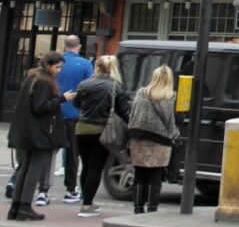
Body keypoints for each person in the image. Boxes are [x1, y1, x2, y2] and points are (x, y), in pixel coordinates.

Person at [7, 52, 75, 221]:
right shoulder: (44, 82)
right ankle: (24, 207)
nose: (59, 71)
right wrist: (62, 99)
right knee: (34, 169)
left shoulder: (32, 78)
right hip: (38, 133)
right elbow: (40, 107)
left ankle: (16, 207)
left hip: (26, 131)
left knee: (25, 167)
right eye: (57, 67)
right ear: (49, 65)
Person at [73, 55, 132, 217]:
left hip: (82, 129)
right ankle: (87, 205)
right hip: (103, 131)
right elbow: (124, 111)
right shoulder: (115, 87)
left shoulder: (84, 84)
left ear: (97, 66)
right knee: (95, 167)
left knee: (85, 166)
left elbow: (76, 103)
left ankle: (86, 200)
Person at [127, 65, 180, 214]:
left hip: (139, 138)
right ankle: (152, 208)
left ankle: (138, 207)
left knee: (140, 173)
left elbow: (133, 114)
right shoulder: (170, 97)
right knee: (156, 175)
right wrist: (175, 135)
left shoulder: (141, 93)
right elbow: (170, 121)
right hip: (161, 140)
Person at [55, 35, 92, 205]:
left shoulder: (55, 63)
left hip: (52, 112)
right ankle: (71, 189)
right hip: (74, 114)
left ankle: (40, 189)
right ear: (79, 46)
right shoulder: (85, 64)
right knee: (72, 153)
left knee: (45, 151)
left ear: (65, 46)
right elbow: (89, 88)